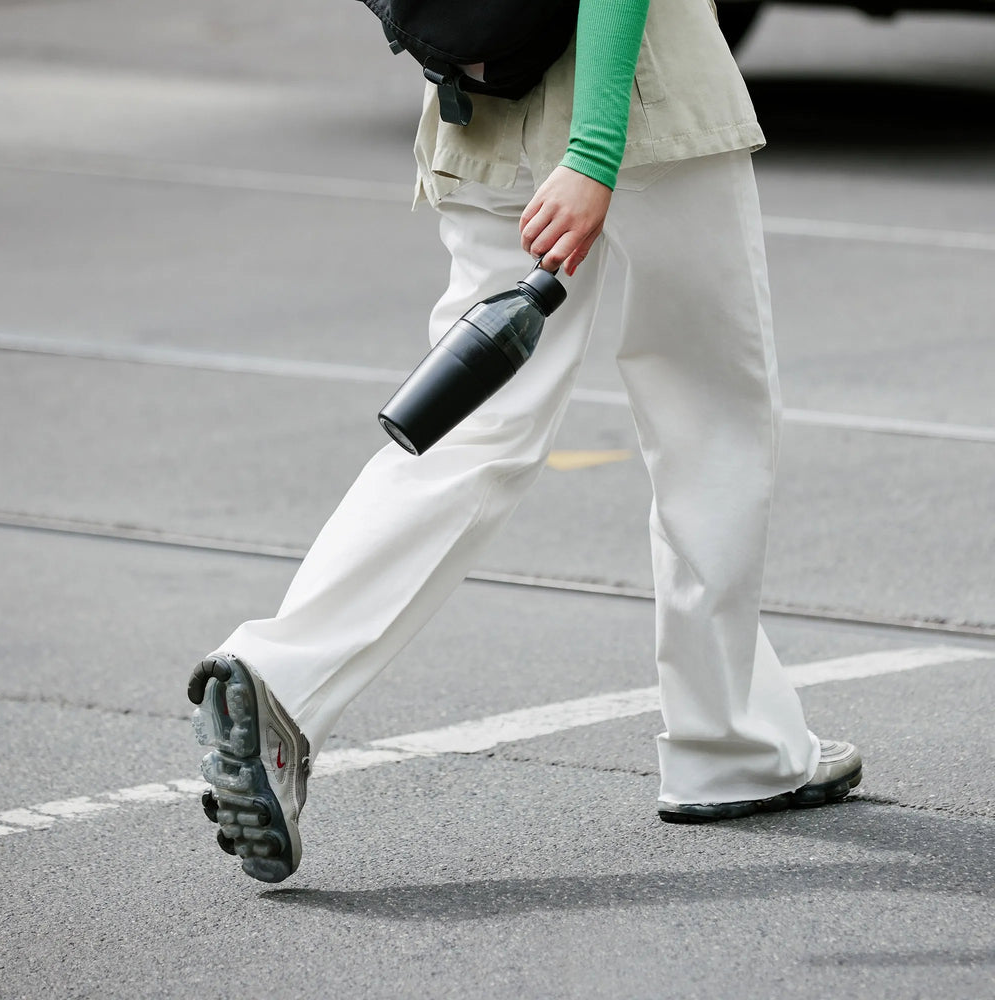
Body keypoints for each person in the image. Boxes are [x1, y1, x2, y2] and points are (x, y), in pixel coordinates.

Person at [187, 0, 862, 884]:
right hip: (642, 105)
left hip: (484, 99)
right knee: (709, 419)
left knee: (468, 427)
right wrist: (593, 149)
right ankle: (724, 740)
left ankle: (279, 675)